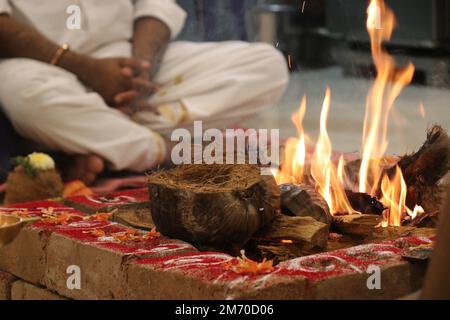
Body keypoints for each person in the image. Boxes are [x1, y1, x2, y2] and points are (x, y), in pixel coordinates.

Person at [0, 0, 288, 185]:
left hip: (130, 60)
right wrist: (87, 69)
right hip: (46, 66)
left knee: (266, 65)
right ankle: (172, 151)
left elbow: (156, 7)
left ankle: (91, 142)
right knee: (25, 95)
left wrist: (143, 70)